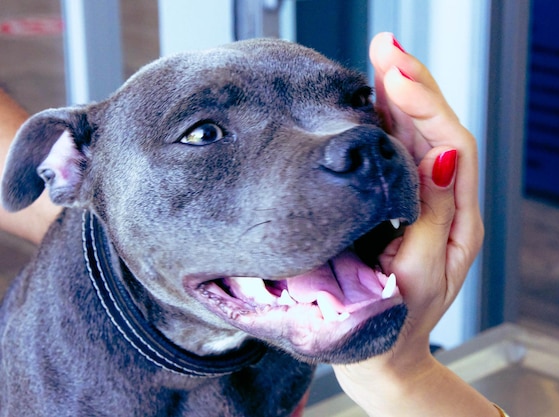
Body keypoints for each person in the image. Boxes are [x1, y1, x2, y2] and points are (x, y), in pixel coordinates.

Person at [0, 33, 505, 417]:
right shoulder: (49, 383)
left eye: (353, 101)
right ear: (68, 168)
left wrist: (403, 372)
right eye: (204, 133)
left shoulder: (294, 319)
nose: (351, 140)